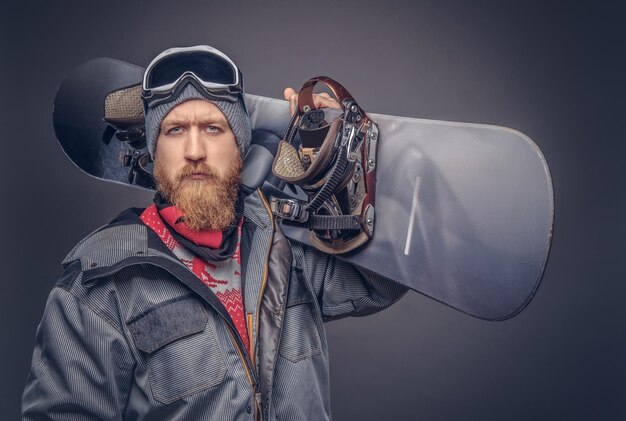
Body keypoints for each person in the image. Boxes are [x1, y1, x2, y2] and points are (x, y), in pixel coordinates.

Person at [22, 45, 408, 420]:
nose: (194, 150)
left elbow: (381, 280)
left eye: (212, 128)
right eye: (175, 130)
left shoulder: (286, 244)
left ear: (240, 148)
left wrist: (347, 175)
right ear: (155, 154)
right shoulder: (99, 284)